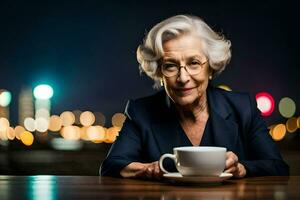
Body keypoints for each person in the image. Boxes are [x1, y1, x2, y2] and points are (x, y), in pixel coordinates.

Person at [100, 14, 289, 179]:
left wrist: (241, 169)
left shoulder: (243, 107)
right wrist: (148, 169)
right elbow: (111, 166)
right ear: (159, 73)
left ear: (211, 68)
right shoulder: (141, 112)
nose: (183, 78)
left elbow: (278, 167)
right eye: (170, 66)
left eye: (194, 63)